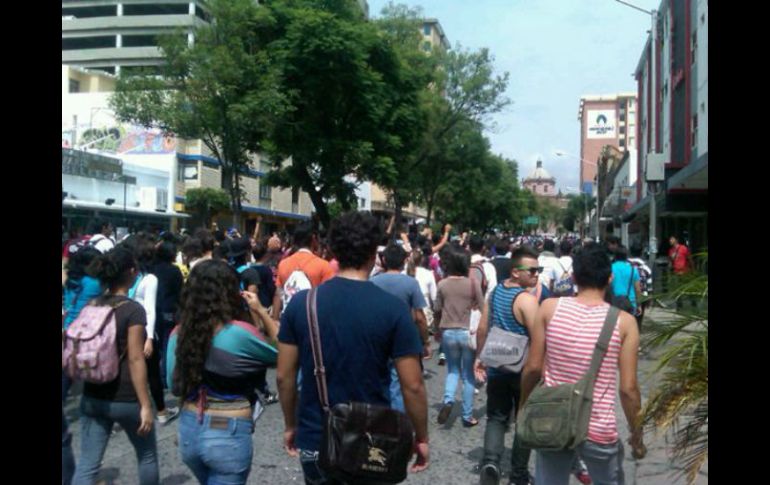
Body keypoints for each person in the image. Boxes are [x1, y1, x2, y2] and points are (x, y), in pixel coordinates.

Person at [276, 211, 430, 484]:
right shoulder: (393, 309)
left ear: (332, 250)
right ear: (375, 253)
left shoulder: (302, 304)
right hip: (373, 438)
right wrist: (421, 436)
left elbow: (284, 377)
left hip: (316, 436)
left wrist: (291, 424)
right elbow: (413, 385)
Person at [521, 242, 646, 485]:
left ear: (575, 277)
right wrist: (636, 431)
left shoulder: (549, 308)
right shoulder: (625, 323)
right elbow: (628, 388)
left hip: (552, 419)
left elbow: (533, 367)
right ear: (609, 278)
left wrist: (524, 406)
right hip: (599, 427)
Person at [166, 259, 279, 485]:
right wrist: (260, 311)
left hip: (189, 429)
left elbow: (173, 384)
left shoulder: (178, 333)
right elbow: (281, 350)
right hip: (228, 432)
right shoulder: (239, 333)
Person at [72, 248, 159, 485]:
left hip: (92, 394)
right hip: (126, 396)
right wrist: (145, 404)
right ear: (131, 272)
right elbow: (135, 358)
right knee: (147, 455)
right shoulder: (132, 310)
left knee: (88, 464)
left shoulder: (92, 304)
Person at [474, 247, 541, 485]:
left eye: (539, 269)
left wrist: (480, 357)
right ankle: (518, 474)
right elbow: (538, 340)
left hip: (497, 365)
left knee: (496, 417)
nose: (537, 274)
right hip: (523, 370)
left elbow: (483, 328)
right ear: (515, 272)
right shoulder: (527, 301)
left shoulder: (496, 292)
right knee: (524, 419)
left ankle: (490, 461)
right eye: (532, 270)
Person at [123, 234, 179, 425]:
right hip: (144, 329)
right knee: (152, 372)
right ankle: (161, 412)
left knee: (130, 369)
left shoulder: (133, 276)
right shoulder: (150, 278)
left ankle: (133, 410)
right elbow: (149, 309)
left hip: (127, 328)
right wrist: (149, 337)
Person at [372, 244, 431, 411]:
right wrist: (426, 341)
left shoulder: (373, 281)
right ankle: (397, 422)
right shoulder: (411, 284)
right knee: (398, 382)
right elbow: (420, 317)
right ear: (404, 261)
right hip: (403, 336)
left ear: (384, 260)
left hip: (378, 335)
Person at [434, 244, 484, 427]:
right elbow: (482, 306)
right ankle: (467, 415)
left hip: (448, 331)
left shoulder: (442, 284)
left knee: (453, 370)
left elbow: (437, 309)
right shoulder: (473, 283)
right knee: (468, 375)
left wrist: (437, 329)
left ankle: (448, 400)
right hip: (467, 333)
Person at [271, 221, 335, 319]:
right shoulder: (324, 266)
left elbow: (278, 294)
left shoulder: (283, 264)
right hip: (313, 323)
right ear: (314, 238)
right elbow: (330, 300)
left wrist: (274, 321)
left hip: (288, 321)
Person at [151, 241, 183, 390]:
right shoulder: (174, 271)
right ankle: (164, 377)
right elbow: (180, 292)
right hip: (170, 310)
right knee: (166, 344)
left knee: (154, 343)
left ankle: (153, 375)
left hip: (154, 309)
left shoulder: (152, 269)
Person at [610, 247, 642, 317]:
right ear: (626, 257)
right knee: (628, 326)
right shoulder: (633, 270)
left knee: (612, 326)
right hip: (630, 303)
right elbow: (638, 289)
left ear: (615, 256)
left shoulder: (610, 268)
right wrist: (639, 304)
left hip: (613, 303)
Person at [628, 243, 652, 331]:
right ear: (641, 252)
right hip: (642, 296)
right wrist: (649, 298)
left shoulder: (626, 266)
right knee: (639, 319)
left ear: (630, 252)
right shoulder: (646, 268)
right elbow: (649, 285)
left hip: (627, 295)